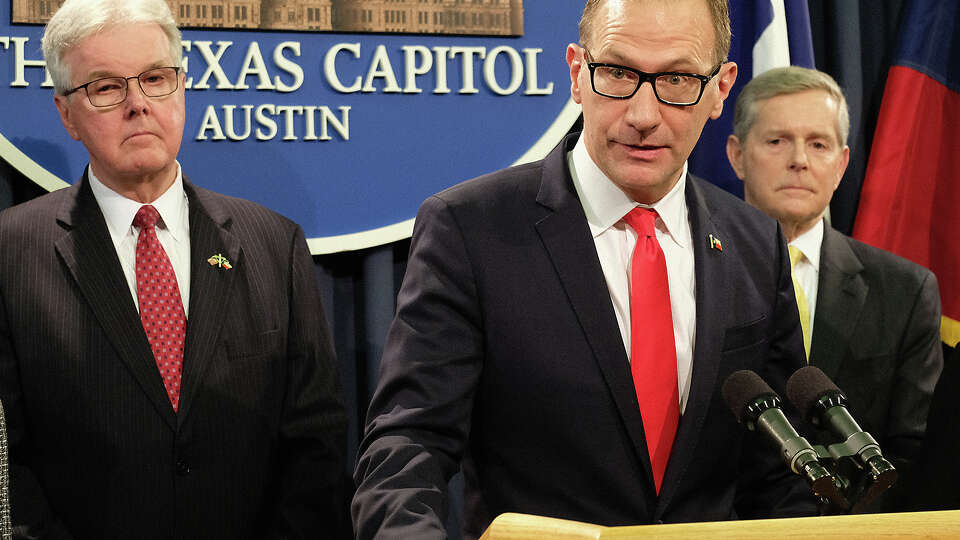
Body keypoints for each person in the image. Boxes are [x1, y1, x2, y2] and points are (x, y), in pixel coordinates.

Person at [352, 0, 817, 537]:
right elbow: (408, 449)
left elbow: (779, 478)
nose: (644, 115)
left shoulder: (753, 242)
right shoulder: (472, 229)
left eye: (678, 78)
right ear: (577, 73)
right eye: (618, 73)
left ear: (720, 88)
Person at [0, 0, 347, 537]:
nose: (138, 104)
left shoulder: (274, 244)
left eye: (156, 78)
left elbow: (316, 446)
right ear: (67, 113)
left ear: (182, 88)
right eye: (107, 87)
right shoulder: (10, 253)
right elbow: (8, 466)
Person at [726, 65, 943, 512]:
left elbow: (915, 454)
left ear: (842, 164)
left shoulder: (905, 290)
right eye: (777, 140)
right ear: (737, 155)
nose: (799, 159)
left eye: (818, 144)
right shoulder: (689, 272)